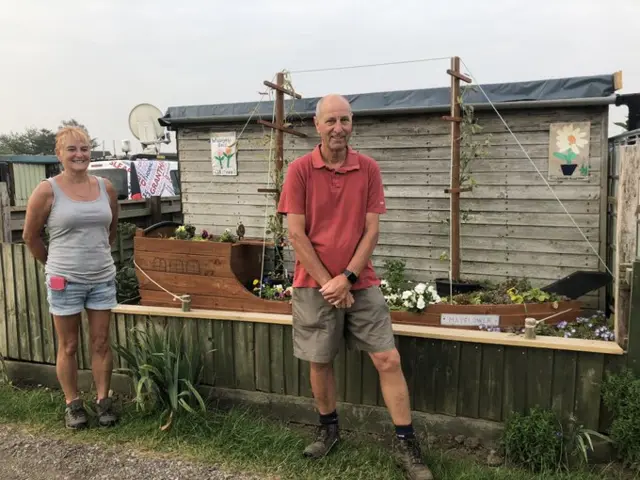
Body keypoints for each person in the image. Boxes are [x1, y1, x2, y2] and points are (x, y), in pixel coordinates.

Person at [277, 94, 434, 479]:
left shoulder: (368, 169)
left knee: (388, 358)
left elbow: (371, 231)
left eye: (345, 120)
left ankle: (405, 443)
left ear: (352, 124)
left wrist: (346, 278)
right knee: (321, 360)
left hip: (359, 282)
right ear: (316, 124)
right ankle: (329, 430)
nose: (338, 128)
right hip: (313, 285)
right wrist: (327, 281)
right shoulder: (299, 171)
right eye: (331, 120)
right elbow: (296, 235)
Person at [22, 126, 120, 430]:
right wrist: (53, 264)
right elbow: (30, 236)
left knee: (102, 342)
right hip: (64, 281)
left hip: (102, 277)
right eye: (72, 149)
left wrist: (98, 255)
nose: (79, 155)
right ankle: (73, 404)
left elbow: (112, 229)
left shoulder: (106, 187)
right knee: (68, 346)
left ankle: (103, 400)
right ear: (59, 154)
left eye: (85, 149)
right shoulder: (47, 190)